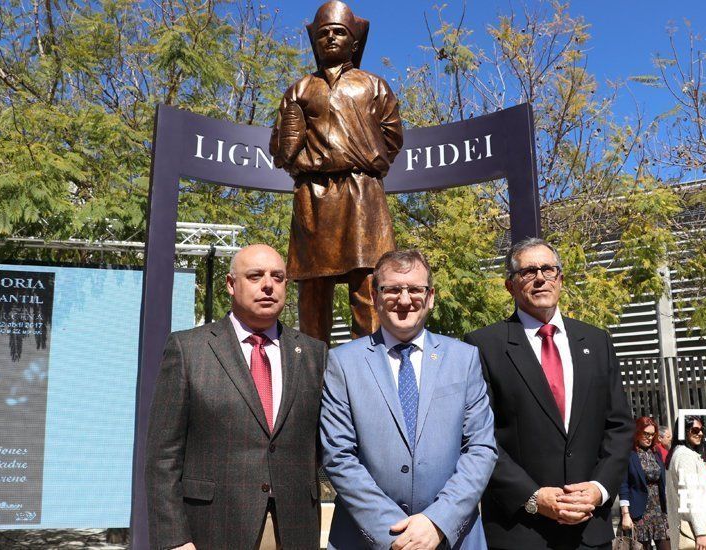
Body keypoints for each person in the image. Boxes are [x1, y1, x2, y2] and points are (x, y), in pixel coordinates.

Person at [145, 244, 328, 550]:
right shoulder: (189, 350)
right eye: (255, 276)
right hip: (211, 528)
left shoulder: (312, 353)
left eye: (278, 277)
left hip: (295, 528)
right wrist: (173, 539)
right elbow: (163, 455)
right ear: (231, 284)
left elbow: (320, 445)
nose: (268, 285)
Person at [320, 249, 497, 549]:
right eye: (392, 289)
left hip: (452, 537)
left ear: (430, 297)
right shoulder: (342, 363)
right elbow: (338, 456)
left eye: (415, 289)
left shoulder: (464, 359)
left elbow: (480, 449)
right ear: (375, 297)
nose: (404, 300)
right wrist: (395, 534)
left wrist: (437, 522)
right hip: (367, 538)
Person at [464, 237, 633, 549]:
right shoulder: (482, 346)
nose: (540, 277)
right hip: (520, 531)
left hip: (589, 531)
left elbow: (619, 427)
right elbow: (478, 438)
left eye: (548, 269)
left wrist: (598, 489)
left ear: (561, 279)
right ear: (510, 286)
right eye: (528, 271)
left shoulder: (597, 343)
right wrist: (533, 497)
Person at [270, 1, 403, 344]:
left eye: (339, 32)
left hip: (362, 191)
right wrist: (299, 156)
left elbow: (393, 136)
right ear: (314, 42)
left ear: (354, 43)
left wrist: (363, 157)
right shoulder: (299, 89)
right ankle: (313, 367)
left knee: (367, 282)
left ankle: (371, 365)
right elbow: (279, 146)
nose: (330, 38)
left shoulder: (374, 85)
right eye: (323, 33)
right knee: (313, 290)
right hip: (312, 195)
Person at [666, 417, 706, 550]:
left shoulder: (678, 453)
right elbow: (689, 495)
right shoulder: (685, 455)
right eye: (695, 430)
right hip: (693, 530)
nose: (700, 433)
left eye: (701, 430)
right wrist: (701, 532)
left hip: (687, 525)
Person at [619, 417, 670, 550]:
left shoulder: (656, 452)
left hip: (659, 511)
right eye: (646, 434)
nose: (649, 438)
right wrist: (625, 514)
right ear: (637, 432)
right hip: (639, 513)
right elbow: (623, 485)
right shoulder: (629, 453)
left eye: (652, 434)